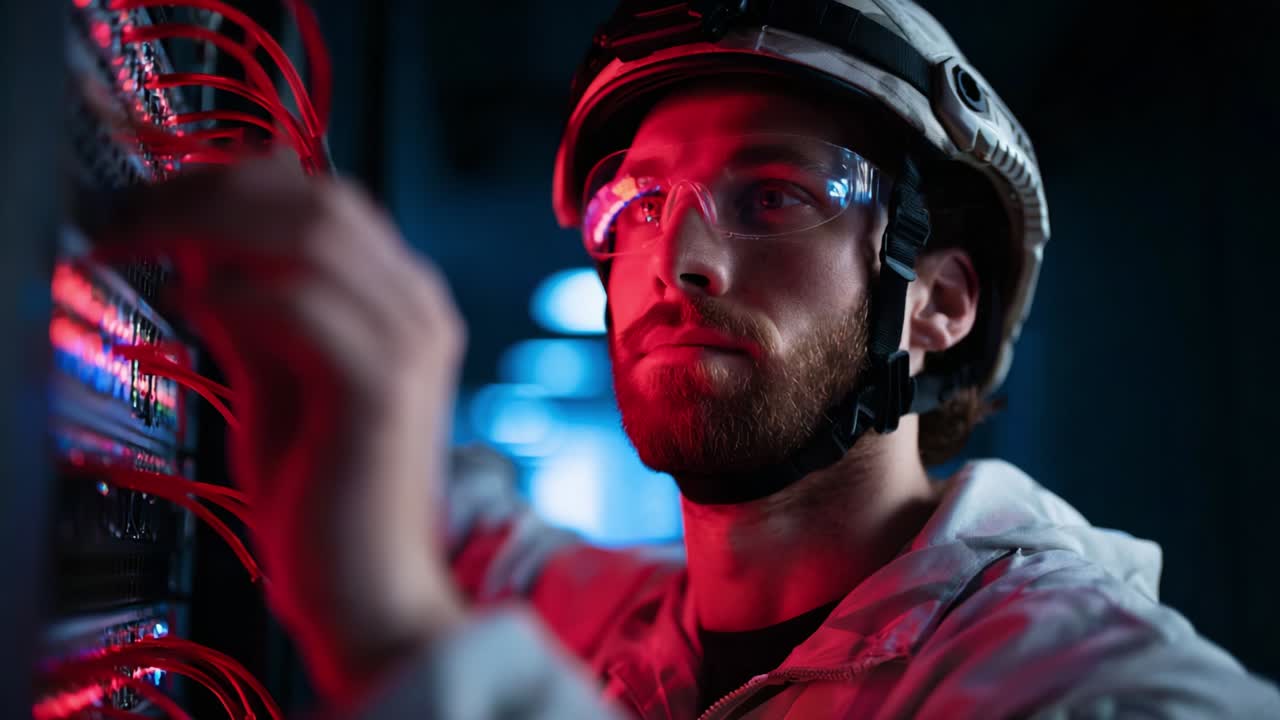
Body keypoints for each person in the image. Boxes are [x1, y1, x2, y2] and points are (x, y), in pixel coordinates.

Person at [107, 0, 1280, 717]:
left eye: (771, 194)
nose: (679, 259)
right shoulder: (632, 630)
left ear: (935, 305)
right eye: (638, 203)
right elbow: (470, 537)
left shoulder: (1082, 684)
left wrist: (403, 641)